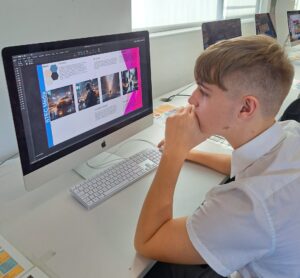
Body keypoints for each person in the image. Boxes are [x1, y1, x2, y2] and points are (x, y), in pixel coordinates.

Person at [134, 35, 300, 278]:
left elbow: (148, 240)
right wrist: (190, 152)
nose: (192, 100)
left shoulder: (249, 207)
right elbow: (245, 165)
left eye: (203, 91)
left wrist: (174, 154)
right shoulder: (290, 132)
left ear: (246, 108)